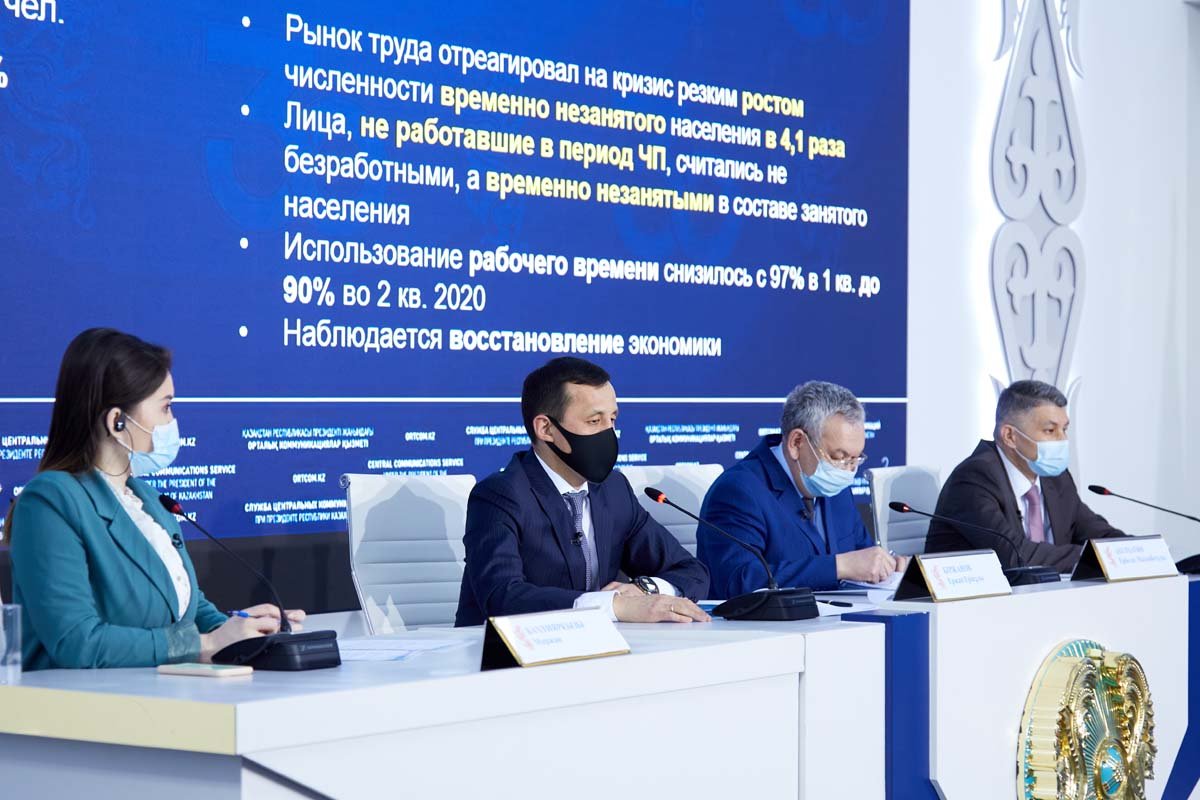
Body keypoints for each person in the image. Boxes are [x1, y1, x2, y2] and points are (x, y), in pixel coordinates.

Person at [8, 328, 304, 669]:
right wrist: (206, 644)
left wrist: (245, 629)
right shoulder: (49, 502)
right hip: (78, 701)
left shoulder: (148, 500)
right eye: (166, 407)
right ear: (117, 421)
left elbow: (185, 609)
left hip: (158, 695)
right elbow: (76, 642)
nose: (172, 421)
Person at [455, 357, 711, 626]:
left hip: (596, 647)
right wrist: (613, 606)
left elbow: (692, 572)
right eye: (594, 421)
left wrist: (645, 589)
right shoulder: (500, 496)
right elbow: (501, 597)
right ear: (546, 428)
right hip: (502, 649)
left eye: (612, 419)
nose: (609, 433)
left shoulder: (614, 490)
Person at [699, 381, 902, 596]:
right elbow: (739, 581)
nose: (848, 470)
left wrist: (887, 567)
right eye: (839, 457)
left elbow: (862, 558)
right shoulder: (739, 491)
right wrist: (837, 567)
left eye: (855, 459)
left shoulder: (838, 489)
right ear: (797, 443)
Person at [926, 379, 1123, 571]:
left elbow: (1096, 531)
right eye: (1050, 430)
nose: (1062, 439)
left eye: (1064, 429)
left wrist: (1129, 551)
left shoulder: (1057, 479)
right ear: (1010, 436)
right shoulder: (974, 478)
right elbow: (1016, 556)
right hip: (974, 592)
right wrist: (1095, 557)